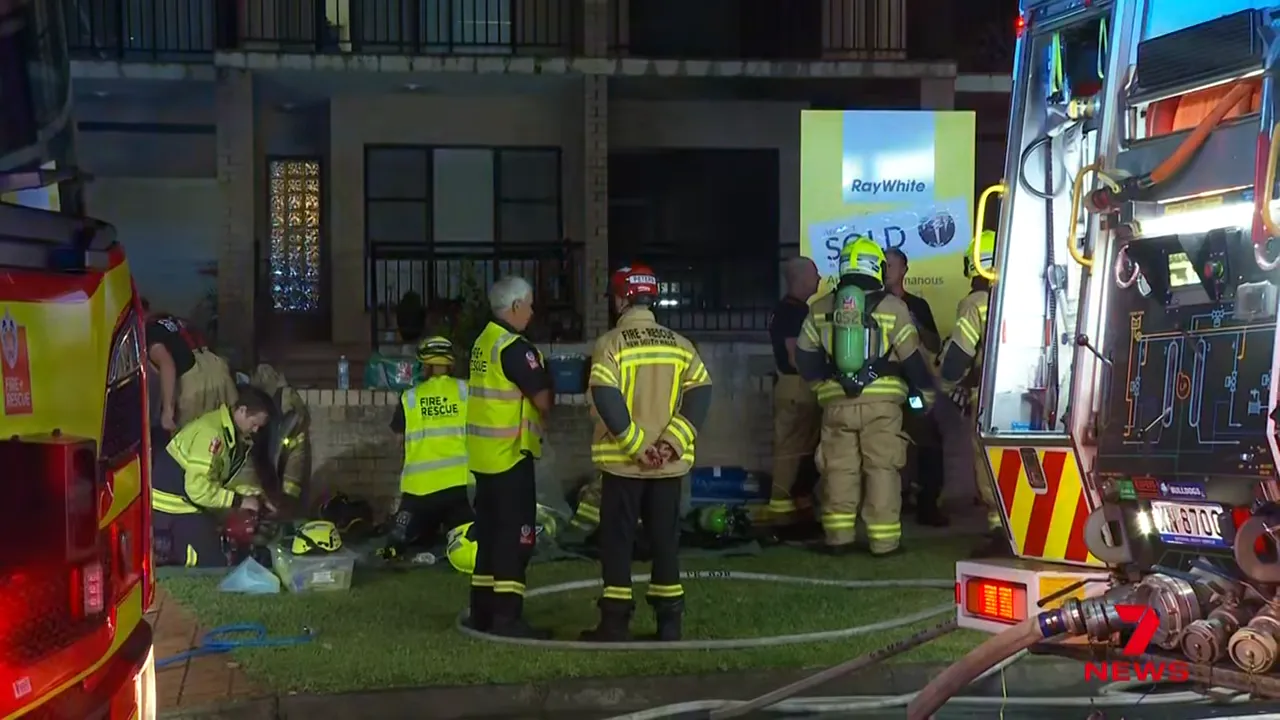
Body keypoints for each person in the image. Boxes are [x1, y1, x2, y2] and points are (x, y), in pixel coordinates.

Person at [580, 264, 713, 643]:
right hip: (669, 467)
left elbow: (605, 394)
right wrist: (671, 442)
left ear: (622, 299)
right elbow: (701, 394)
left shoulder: (612, 343)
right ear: (651, 298)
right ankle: (670, 623)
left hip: (624, 464)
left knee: (618, 543)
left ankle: (615, 624)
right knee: (666, 542)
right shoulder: (681, 344)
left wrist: (637, 445)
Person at [794, 237, 939, 556]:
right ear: (876, 267)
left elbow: (803, 358)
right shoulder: (892, 308)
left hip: (836, 406)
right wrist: (924, 396)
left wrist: (825, 388)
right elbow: (913, 359)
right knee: (882, 468)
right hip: (883, 405)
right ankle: (884, 542)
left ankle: (838, 538)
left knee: (839, 469)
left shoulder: (820, 308)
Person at [466, 276, 553, 639]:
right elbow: (542, 399)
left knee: (489, 537)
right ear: (515, 306)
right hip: (510, 457)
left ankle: (482, 613)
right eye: (529, 305)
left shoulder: (483, 341)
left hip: (484, 459)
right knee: (516, 540)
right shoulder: (517, 348)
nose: (532, 312)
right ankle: (507, 619)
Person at [936, 231, 1010, 558]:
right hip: (1034, 396)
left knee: (988, 461)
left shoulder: (975, 303)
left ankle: (999, 529)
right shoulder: (1023, 293)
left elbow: (957, 359)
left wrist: (949, 387)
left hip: (992, 397)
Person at [150, 387, 276, 568]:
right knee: (213, 564)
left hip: (187, 503)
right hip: (173, 508)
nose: (256, 430)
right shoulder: (212, 435)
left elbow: (217, 480)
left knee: (222, 549)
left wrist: (255, 497)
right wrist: (239, 501)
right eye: (254, 423)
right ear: (241, 411)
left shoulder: (229, 434)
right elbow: (197, 489)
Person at [382, 336, 474, 559]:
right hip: (461, 490)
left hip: (419, 493)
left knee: (397, 542)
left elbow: (399, 442)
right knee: (471, 540)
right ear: (450, 364)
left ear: (425, 365)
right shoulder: (467, 391)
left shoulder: (410, 398)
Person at [883, 248, 948, 527]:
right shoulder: (873, 303)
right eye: (883, 265)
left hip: (914, 389)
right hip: (882, 389)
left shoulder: (917, 305)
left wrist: (914, 321)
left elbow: (935, 346)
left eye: (891, 265)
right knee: (882, 449)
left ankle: (927, 505)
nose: (886, 270)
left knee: (927, 442)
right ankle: (890, 504)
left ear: (904, 270)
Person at [765, 257, 823, 534]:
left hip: (798, 387)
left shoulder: (795, 310)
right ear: (800, 280)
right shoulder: (791, 312)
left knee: (804, 450)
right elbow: (795, 355)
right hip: (796, 387)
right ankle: (781, 512)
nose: (820, 278)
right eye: (814, 275)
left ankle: (797, 506)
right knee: (791, 451)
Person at [144, 301, 237, 438]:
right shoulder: (172, 320)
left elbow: (167, 364)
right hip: (218, 368)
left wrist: (167, 412)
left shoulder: (148, 332)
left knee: (188, 444)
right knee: (224, 433)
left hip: (193, 381)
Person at [234, 364, 311, 516]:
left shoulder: (291, 417)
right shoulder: (241, 419)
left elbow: (297, 458)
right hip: (249, 493)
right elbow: (244, 464)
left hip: (273, 481)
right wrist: (258, 499)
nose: (257, 428)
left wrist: (287, 498)